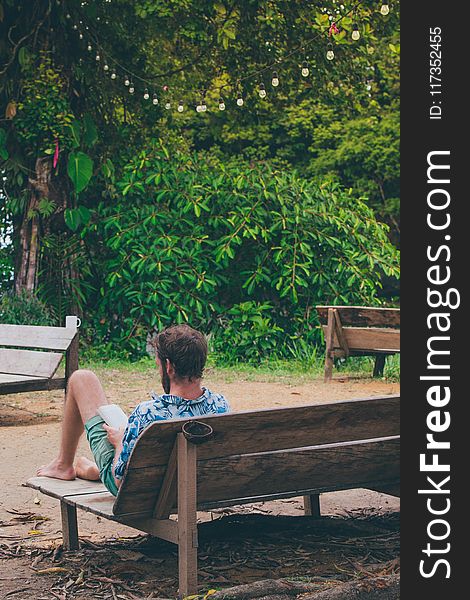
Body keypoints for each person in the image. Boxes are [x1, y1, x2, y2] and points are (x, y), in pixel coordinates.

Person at [37, 324, 230, 496]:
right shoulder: (221, 405)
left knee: (82, 378)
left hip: (147, 492)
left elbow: (121, 480)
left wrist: (121, 442)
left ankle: (63, 465)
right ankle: (92, 469)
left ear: (169, 367)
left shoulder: (147, 413)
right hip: (202, 486)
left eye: (159, 365)